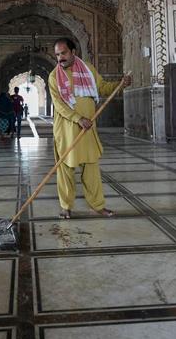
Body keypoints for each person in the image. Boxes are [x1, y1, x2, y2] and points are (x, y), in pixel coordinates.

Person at [48, 37, 131, 219]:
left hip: (87, 129)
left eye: (63, 53)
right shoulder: (54, 76)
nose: (60, 58)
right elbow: (60, 105)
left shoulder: (88, 70)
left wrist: (119, 84)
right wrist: (78, 118)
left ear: (73, 52)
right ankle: (66, 207)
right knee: (66, 169)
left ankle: (97, 206)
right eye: (57, 54)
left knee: (91, 168)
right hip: (67, 130)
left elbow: (101, 87)